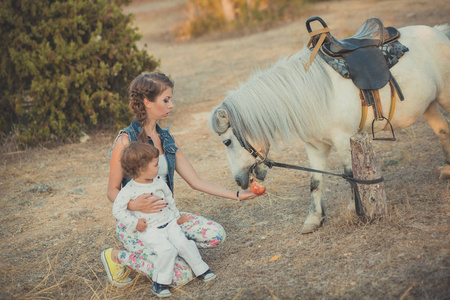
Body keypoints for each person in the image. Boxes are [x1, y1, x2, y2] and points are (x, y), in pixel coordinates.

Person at [102, 72, 258, 288]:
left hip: (166, 219)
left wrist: (237, 195)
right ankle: (116, 257)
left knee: (216, 235)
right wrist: (132, 204)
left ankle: (173, 251)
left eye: (170, 99)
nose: (171, 105)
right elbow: (112, 190)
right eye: (166, 100)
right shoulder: (126, 140)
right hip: (138, 224)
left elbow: (196, 181)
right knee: (182, 276)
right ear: (147, 102)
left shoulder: (166, 138)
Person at [112, 141, 216, 297]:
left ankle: (201, 269)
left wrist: (177, 217)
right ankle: (160, 283)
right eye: (155, 165)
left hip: (170, 224)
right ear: (141, 169)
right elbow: (117, 210)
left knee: (184, 243)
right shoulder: (129, 190)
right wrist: (135, 223)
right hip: (150, 230)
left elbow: (170, 201)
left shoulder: (159, 182)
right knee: (167, 250)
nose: (159, 167)